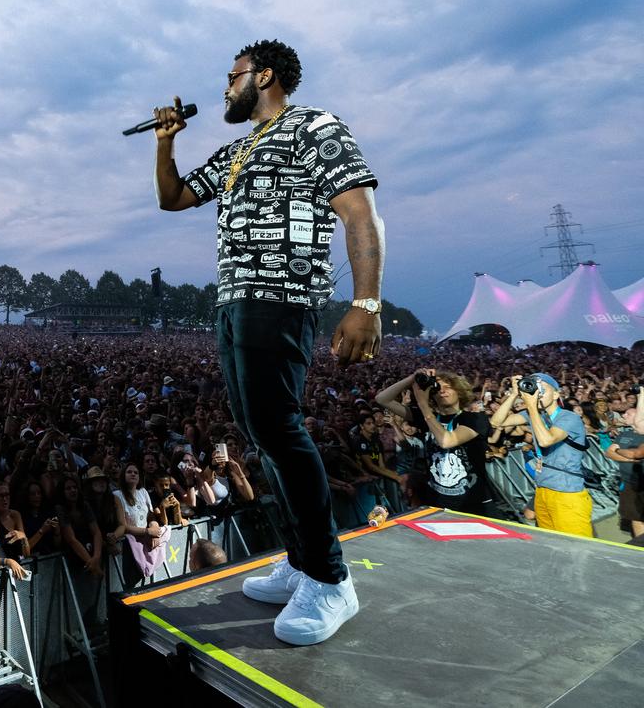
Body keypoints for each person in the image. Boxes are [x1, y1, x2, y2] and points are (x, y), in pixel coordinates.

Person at [152, 38, 385, 645]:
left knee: (279, 428)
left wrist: (365, 303)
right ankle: (302, 559)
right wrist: (166, 141)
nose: (226, 87)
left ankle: (332, 580)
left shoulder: (314, 127)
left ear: (267, 75)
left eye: (233, 76)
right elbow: (172, 198)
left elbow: (359, 213)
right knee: (260, 433)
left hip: (280, 295)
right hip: (234, 300)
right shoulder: (238, 148)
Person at [376, 369, 492, 514]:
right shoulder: (428, 417)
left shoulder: (476, 418)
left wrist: (423, 404)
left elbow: (446, 441)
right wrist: (412, 378)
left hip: (473, 503)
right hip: (437, 502)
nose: (442, 391)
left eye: (448, 387)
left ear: (459, 391)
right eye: (437, 388)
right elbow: (382, 399)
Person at [490, 373, 592, 536]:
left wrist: (531, 406)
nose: (538, 393)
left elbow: (546, 440)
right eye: (535, 389)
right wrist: (515, 394)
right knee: (551, 544)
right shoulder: (534, 415)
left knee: (577, 549)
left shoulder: (569, 417)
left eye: (542, 389)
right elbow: (496, 422)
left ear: (556, 394)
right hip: (542, 490)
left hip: (566, 493)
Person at [605, 387, 644, 538]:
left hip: (643, 481)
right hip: (629, 482)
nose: (624, 415)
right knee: (636, 517)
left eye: (629, 413)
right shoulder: (624, 434)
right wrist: (631, 459)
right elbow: (608, 452)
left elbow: (635, 453)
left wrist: (623, 453)